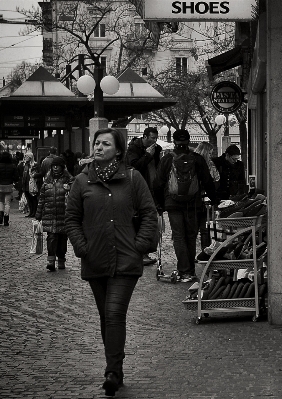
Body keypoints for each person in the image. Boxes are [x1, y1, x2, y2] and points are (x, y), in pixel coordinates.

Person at [65, 128, 158, 396]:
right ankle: (115, 366)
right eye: (96, 143)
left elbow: (149, 213)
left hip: (126, 259)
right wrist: (82, 247)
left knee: (115, 312)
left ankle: (112, 372)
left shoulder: (132, 178)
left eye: (105, 144)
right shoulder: (82, 181)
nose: (99, 147)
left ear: (118, 150)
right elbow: (71, 218)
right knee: (106, 315)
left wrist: (139, 246)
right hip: (95, 259)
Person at [153, 129, 218, 282]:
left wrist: (160, 204)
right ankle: (190, 271)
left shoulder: (167, 159)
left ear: (174, 142)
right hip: (193, 204)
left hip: (172, 204)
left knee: (178, 237)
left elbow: (157, 183)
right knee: (190, 236)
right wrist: (215, 200)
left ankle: (184, 271)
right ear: (188, 141)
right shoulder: (197, 159)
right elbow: (207, 181)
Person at [126, 127, 162, 266]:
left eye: (156, 138)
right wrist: (147, 155)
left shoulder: (157, 149)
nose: (154, 141)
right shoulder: (134, 148)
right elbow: (134, 167)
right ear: (145, 137)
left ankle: (145, 250)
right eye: (152, 138)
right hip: (140, 189)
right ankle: (140, 252)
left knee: (149, 220)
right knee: (140, 220)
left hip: (152, 189)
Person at [35, 156, 73, 272]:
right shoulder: (47, 181)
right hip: (49, 214)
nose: (55, 168)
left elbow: (75, 197)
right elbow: (42, 198)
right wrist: (38, 214)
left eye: (58, 166)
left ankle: (61, 259)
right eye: (53, 166)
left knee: (62, 240)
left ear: (62, 167)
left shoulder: (69, 180)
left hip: (63, 215)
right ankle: (51, 261)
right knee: (51, 238)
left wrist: (69, 189)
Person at [194, 141, 220, 250]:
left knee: (195, 229)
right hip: (205, 199)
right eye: (210, 153)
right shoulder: (209, 164)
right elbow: (217, 179)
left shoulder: (193, 162)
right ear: (205, 152)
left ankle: (193, 254)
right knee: (205, 228)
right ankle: (205, 252)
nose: (211, 155)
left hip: (194, 199)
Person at [0, 152, 18, 226]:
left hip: (0, 185)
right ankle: (6, 219)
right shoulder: (13, 166)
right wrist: (12, 179)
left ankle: (0, 215)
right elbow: (16, 177)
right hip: (9, 185)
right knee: (7, 203)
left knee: (1, 201)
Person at [22, 152, 39, 218]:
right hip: (26, 184)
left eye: (27, 157)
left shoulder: (34, 165)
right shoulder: (25, 164)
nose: (25, 158)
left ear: (30, 157)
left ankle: (34, 212)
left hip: (32, 184)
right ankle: (31, 212)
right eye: (25, 156)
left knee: (33, 199)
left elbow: (37, 174)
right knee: (29, 199)